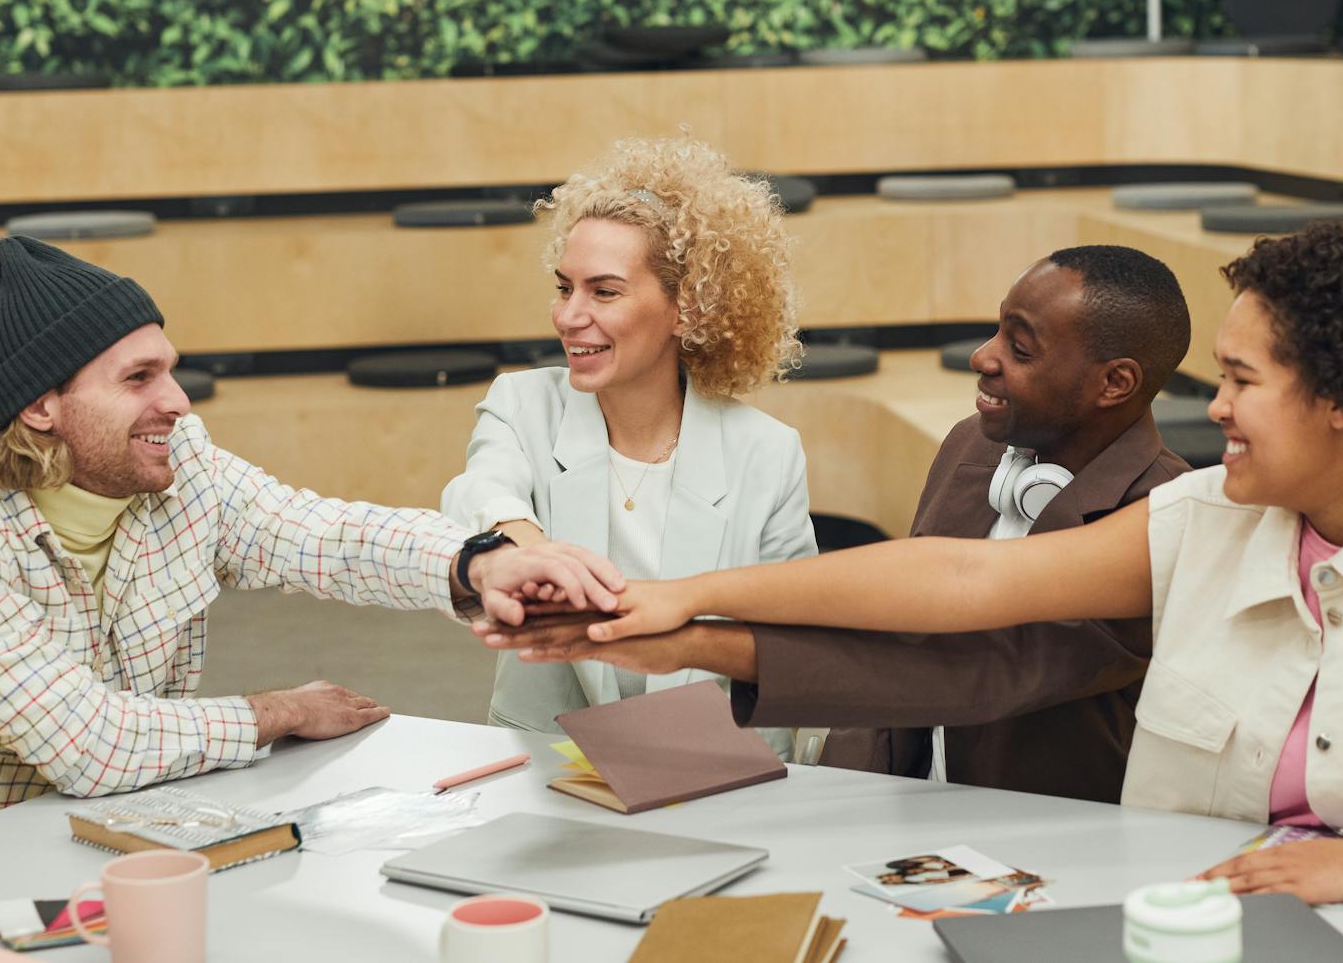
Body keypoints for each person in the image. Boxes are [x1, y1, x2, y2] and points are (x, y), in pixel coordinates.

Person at [486, 221, 1343, 904]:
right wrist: (684, 600)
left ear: (1342, 399)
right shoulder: (1203, 517)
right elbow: (957, 581)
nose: (1214, 405)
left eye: (1241, 380)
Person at [0, 237, 624, 876]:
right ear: (42, 405)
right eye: (139, 378)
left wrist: (477, 561)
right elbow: (90, 742)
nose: (176, 400)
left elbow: (320, 534)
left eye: (170, 369)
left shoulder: (179, 464)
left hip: (111, 858)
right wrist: (279, 710)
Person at [492, 246, 1193, 801]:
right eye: (996, 332)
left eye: (1022, 348)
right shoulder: (974, 446)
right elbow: (893, 621)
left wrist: (689, 633)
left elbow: (961, 670)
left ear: (1115, 383)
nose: (983, 357)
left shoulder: (1162, 516)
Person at [440, 138, 815, 754]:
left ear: (687, 310)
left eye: (604, 292)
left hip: (716, 767)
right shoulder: (522, 404)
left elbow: (792, 643)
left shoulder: (768, 453)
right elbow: (478, 492)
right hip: (549, 770)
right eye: (565, 288)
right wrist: (535, 555)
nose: (569, 316)